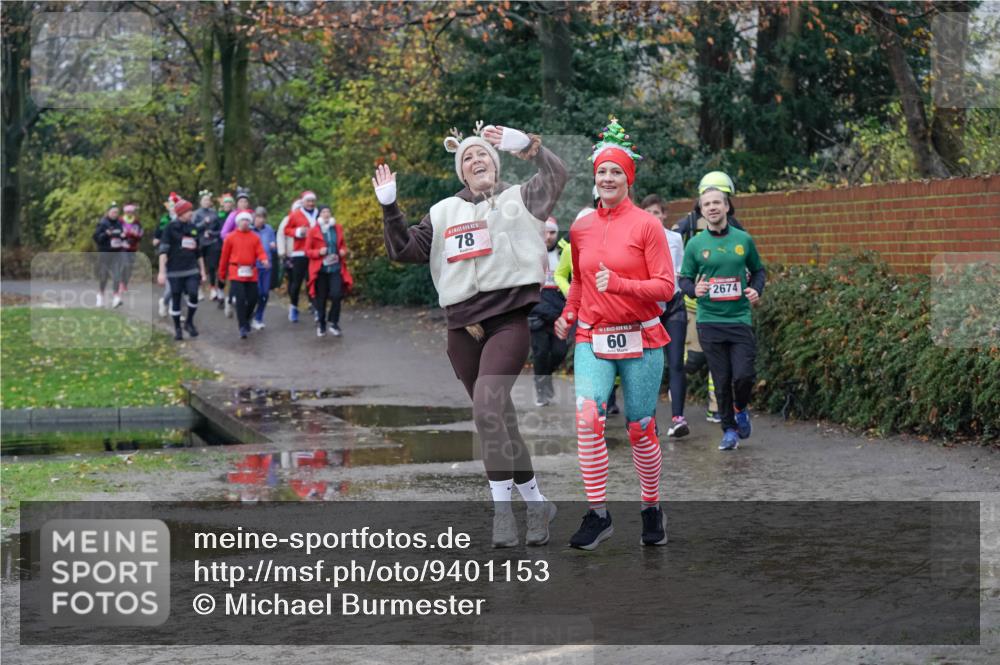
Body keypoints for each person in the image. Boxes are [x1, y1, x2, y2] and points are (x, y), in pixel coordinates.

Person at [373, 121, 567, 547]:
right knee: (500, 421)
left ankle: (502, 513)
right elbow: (405, 250)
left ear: (495, 165)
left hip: (508, 320)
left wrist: (530, 146)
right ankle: (537, 504)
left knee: (486, 411)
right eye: (467, 158)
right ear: (461, 173)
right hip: (462, 328)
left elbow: (557, 176)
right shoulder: (443, 212)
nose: (476, 160)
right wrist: (390, 208)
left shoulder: (520, 199)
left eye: (483, 155)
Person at [554, 117, 673, 550]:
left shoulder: (647, 225)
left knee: (641, 428)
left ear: (628, 178)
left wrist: (620, 284)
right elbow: (582, 282)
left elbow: (665, 288)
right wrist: (568, 313)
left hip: (641, 338)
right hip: (592, 338)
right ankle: (598, 514)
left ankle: (651, 507)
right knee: (588, 419)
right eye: (602, 171)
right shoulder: (581, 227)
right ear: (595, 176)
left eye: (616, 172)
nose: (607, 177)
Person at [678, 184, 766, 451]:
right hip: (709, 320)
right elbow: (684, 279)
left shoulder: (743, 240)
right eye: (707, 204)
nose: (713, 207)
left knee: (744, 376)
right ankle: (729, 430)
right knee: (721, 379)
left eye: (717, 202)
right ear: (701, 212)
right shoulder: (695, 245)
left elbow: (759, 271)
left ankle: (740, 408)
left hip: (738, 318)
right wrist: (696, 289)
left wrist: (755, 290)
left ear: (727, 207)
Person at [642, 194, 689, 438]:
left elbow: (679, 270)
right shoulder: (637, 240)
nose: (653, 217)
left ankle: (678, 418)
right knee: (651, 366)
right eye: (648, 212)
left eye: (657, 212)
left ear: (664, 215)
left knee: (676, 362)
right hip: (649, 308)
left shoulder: (674, 238)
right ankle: (649, 420)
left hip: (674, 305)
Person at [528, 217, 570, 406]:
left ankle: (544, 377)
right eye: (545, 232)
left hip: (559, 314)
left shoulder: (563, 254)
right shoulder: (530, 255)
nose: (548, 236)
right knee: (540, 352)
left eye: (552, 232)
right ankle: (541, 393)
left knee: (560, 351)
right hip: (536, 313)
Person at [157, 196, 208, 341]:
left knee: (193, 294)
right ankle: (177, 329)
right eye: (188, 211)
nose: (191, 213)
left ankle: (189, 322)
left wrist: (203, 271)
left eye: (191, 210)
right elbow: (163, 251)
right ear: (180, 213)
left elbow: (199, 253)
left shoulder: (193, 228)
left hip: (191, 269)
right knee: (176, 298)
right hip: (174, 270)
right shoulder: (170, 228)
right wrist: (161, 272)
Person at [219, 210, 269, 339]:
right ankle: (242, 326)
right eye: (243, 220)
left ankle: (246, 318)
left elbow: (260, 251)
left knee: (253, 298)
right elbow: (224, 257)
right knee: (240, 299)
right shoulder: (230, 237)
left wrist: (264, 260)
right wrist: (222, 274)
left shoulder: (254, 237)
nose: (245, 222)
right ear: (238, 222)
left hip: (251, 272)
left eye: (247, 220)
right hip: (236, 272)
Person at [305, 204, 353, 337]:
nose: (326, 214)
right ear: (319, 215)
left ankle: (334, 322)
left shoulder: (337, 228)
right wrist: (318, 252)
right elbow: (307, 251)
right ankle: (321, 324)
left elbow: (342, 244)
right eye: (323, 212)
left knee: (337, 295)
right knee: (321, 299)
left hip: (335, 267)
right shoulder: (313, 230)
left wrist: (343, 251)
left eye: (328, 212)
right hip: (320, 270)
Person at [284, 191, 320, 322]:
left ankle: (316, 307)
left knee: (314, 281)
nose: (310, 204)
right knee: (296, 283)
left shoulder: (319, 213)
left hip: (315, 253)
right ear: (303, 202)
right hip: (299, 252)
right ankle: (293, 306)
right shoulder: (295, 214)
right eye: (308, 201)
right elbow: (286, 230)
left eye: (312, 201)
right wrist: (298, 231)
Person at [92, 203, 125, 308]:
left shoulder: (119, 223)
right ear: (108, 212)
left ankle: (116, 298)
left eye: (117, 212)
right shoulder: (103, 223)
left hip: (117, 252)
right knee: (104, 275)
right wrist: (106, 234)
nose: (115, 214)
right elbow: (96, 238)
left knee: (117, 274)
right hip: (105, 252)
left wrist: (123, 237)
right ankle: (100, 296)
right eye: (113, 212)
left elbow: (121, 235)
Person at [193, 190, 223, 302]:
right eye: (204, 200)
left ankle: (212, 289)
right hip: (199, 243)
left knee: (212, 267)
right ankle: (199, 289)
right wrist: (203, 224)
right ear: (200, 202)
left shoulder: (214, 213)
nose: (206, 202)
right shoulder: (196, 214)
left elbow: (220, 230)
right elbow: (193, 229)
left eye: (208, 200)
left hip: (212, 243)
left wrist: (211, 233)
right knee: (198, 267)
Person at [251, 207, 276, 330]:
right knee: (255, 293)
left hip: (266, 266)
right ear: (254, 218)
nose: (261, 220)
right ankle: (250, 314)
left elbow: (273, 245)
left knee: (265, 293)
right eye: (258, 217)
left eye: (263, 217)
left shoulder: (269, 229)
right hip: (253, 266)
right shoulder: (249, 230)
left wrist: (273, 246)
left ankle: (258, 317)